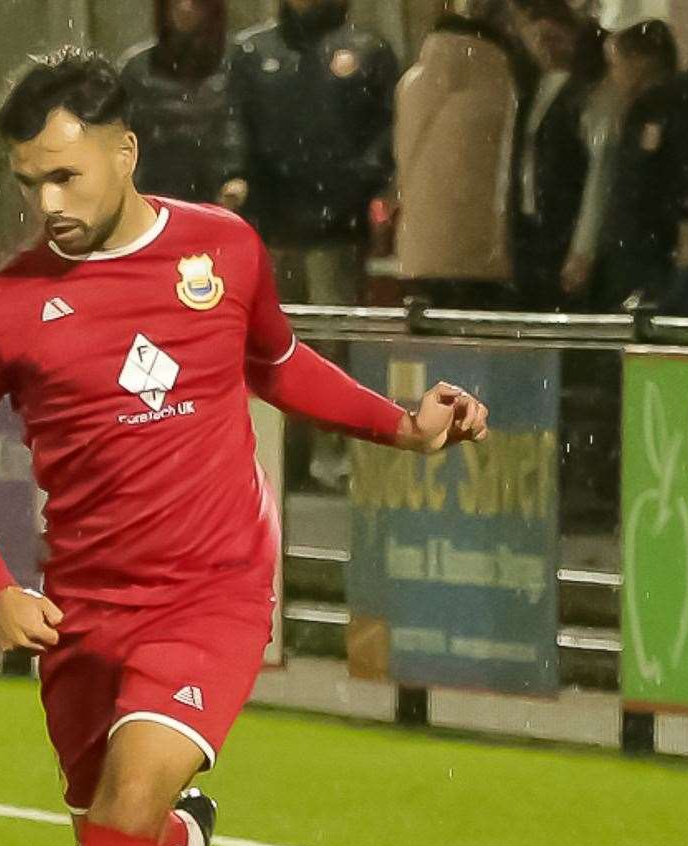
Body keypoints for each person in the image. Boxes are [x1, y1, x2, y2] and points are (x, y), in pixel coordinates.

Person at [0, 50, 488, 846]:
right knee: (112, 822)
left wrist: (402, 424)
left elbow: (277, 362)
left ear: (124, 154)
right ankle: (186, 844)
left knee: (125, 798)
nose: (49, 203)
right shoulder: (2, 309)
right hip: (84, 610)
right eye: (29, 181)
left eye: (68, 177)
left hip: (214, 593)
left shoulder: (223, 252)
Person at [220, 0, 398, 489]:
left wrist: (359, 181)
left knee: (332, 342)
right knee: (269, 340)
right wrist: (235, 175)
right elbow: (235, 122)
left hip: (334, 227)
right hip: (270, 226)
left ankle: (332, 450)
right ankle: (281, 452)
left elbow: (388, 128)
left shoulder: (368, 49)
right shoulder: (253, 52)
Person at [393, 0, 520, 309]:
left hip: (421, 245)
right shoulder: (501, 83)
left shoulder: (413, 82)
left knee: (431, 338)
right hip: (483, 251)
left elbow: (403, 155)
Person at [596, 19, 688, 306]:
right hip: (648, 248)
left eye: (616, 64)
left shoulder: (676, 110)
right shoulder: (648, 110)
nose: (613, 76)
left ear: (641, 61)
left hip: (661, 252)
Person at [509, 0, 615, 310]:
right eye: (537, 39)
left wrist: (582, 247)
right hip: (531, 229)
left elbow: (598, 173)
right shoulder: (530, 90)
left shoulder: (586, 92)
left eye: (553, 39)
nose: (545, 49)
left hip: (563, 225)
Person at [117, 0, 235, 203]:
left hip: (222, 198)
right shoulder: (137, 71)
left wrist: (235, 175)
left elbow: (240, 130)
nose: (184, 7)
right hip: (154, 199)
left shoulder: (237, 64)